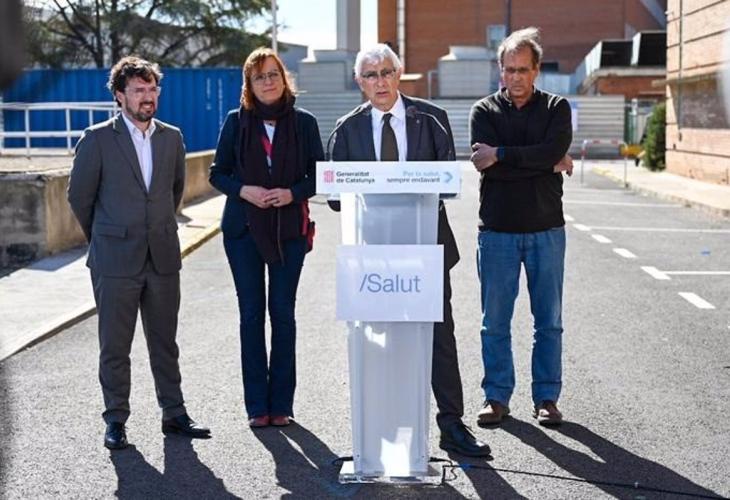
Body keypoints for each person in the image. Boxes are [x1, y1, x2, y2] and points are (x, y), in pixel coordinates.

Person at [329, 43, 490, 457]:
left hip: (426, 250)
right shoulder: (347, 129)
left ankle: (452, 425)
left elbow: (447, 183)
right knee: (379, 341)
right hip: (374, 255)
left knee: (439, 338)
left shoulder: (431, 119)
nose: (380, 81)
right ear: (359, 82)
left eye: (386, 72)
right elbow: (335, 198)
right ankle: (379, 432)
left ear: (399, 74)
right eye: (370, 75)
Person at [68, 56, 210, 450]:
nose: (147, 97)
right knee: (115, 345)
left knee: (165, 342)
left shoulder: (172, 137)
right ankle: (115, 419)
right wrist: (106, 236)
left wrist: (156, 227)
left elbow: (174, 192)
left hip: (162, 255)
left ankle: (174, 414)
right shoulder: (97, 139)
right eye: (138, 90)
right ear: (120, 95)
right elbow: (79, 197)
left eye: (152, 89)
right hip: (114, 259)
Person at [209, 48, 322, 429]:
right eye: (259, 77)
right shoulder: (235, 121)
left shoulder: (304, 122)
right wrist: (245, 191)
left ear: (284, 78)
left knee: (283, 314)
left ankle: (282, 404)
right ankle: (257, 405)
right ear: (249, 84)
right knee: (251, 315)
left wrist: (292, 193)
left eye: (273, 74)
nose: (268, 81)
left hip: (289, 231)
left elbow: (319, 174)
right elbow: (217, 173)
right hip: (243, 231)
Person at [469, 27, 573, 427]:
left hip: (547, 230)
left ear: (536, 70)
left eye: (523, 70)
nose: (515, 77)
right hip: (497, 232)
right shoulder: (483, 112)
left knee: (549, 322)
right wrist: (546, 163)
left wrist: (503, 154)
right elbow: (489, 168)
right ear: (501, 70)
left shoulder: (556, 108)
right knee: (494, 323)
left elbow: (550, 150)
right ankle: (496, 397)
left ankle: (546, 397)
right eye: (509, 69)